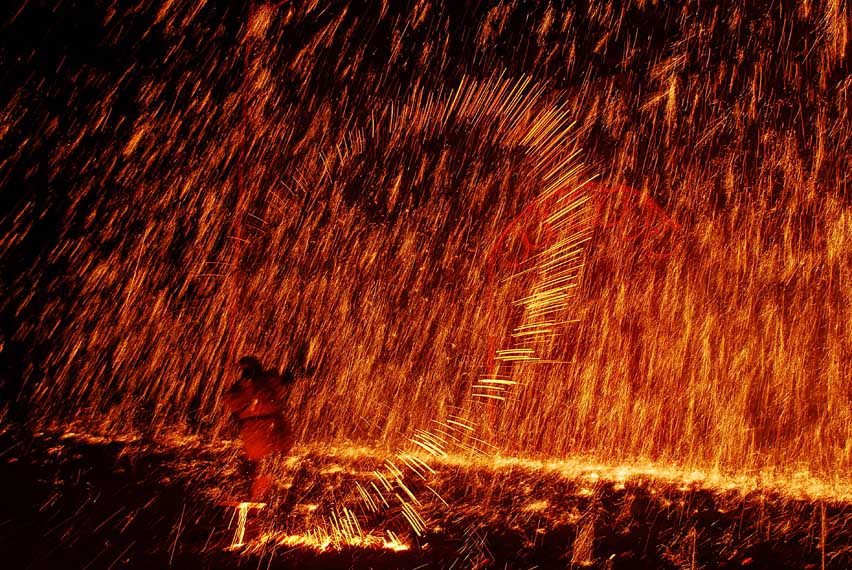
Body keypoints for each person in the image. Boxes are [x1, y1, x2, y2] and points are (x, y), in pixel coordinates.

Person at [224, 355, 295, 500]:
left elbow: (233, 407)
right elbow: (283, 384)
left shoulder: (239, 389)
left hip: (253, 433)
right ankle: (267, 497)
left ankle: (257, 495)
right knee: (272, 464)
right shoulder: (266, 381)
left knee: (260, 465)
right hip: (269, 430)